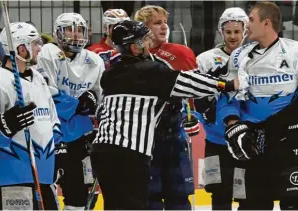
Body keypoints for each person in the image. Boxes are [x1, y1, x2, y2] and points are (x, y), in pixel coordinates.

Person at [90, 19, 238, 210]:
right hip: (130, 154)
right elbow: (188, 83)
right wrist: (226, 84)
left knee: (115, 206)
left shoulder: (110, 74)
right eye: (144, 40)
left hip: (101, 151)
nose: (149, 43)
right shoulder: (150, 71)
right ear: (135, 47)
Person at [217, 2, 298, 209]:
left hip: (290, 140)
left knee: (296, 205)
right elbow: (227, 93)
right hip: (251, 142)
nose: (246, 25)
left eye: (251, 20)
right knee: (251, 206)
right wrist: (233, 125)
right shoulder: (238, 56)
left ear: (266, 23)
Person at [36, 13, 105, 210]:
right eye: (69, 29)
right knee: (47, 188)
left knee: (79, 193)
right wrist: (77, 104)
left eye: (79, 30)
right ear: (58, 32)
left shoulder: (94, 60)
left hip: (79, 134)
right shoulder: (47, 53)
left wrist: (92, 97)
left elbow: (100, 96)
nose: (75, 35)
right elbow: (45, 93)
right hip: (50, 133)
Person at [134, 5, 199, 210]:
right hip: (144, 139)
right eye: (157, 23)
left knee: (179, 196)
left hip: (173, 137)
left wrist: (193, 115)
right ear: (143, 28)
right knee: (149, 197)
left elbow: (194, 93)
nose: (164, 27)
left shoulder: (181, 52)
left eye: (165, 22)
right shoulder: (133, 56)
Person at [0, 22, 61, 210]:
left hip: (44, 173)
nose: (40, 48)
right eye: (34, 43)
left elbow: (51, 117)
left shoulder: (39, 78)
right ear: (21, 48)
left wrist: (59, 147)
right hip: (12, 175)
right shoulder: (1, 80)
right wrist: (4, 126)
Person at [194, 7, 249, 210]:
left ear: (245, 31)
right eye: (228, 32)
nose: (233, 36)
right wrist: (202, 108)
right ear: (221, 31)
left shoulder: (254, 57)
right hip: (215, 139)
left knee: (245, 194)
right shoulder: (205, 59)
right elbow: (194, 95)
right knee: (218, 193)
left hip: (245, 138)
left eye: (237, 31)